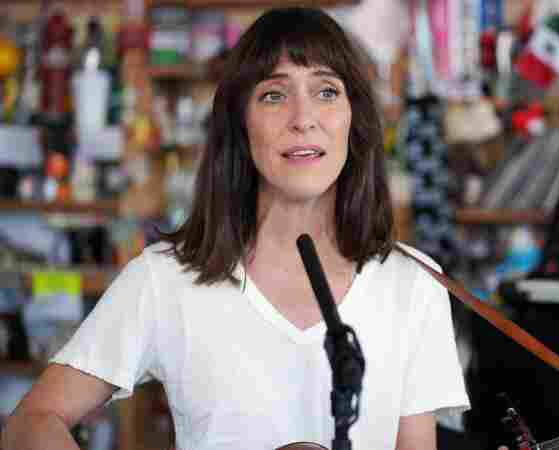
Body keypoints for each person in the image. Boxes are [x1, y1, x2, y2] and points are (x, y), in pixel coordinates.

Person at [2, 7, 470, 450]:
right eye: (273, 94)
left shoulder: (414, 282)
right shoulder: (166, 278)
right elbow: (32, 421)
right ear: (240, 125)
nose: (303, 119)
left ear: (355, 119)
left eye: (327, 91)